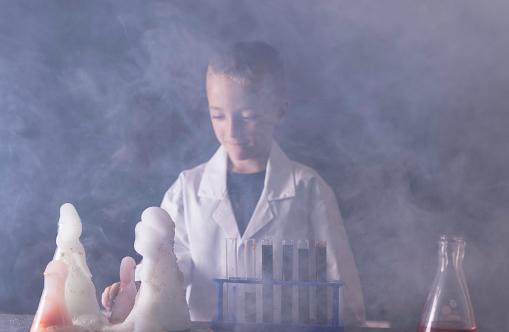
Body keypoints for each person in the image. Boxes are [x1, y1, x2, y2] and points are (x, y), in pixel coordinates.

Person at [103, 40, 366, 326]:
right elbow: (166, 265)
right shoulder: (187, 190)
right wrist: (137, 290)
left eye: (248, 116)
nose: (232, 130)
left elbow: (339, 282)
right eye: (218, 115)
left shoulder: (308, 189)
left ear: (280, 111)